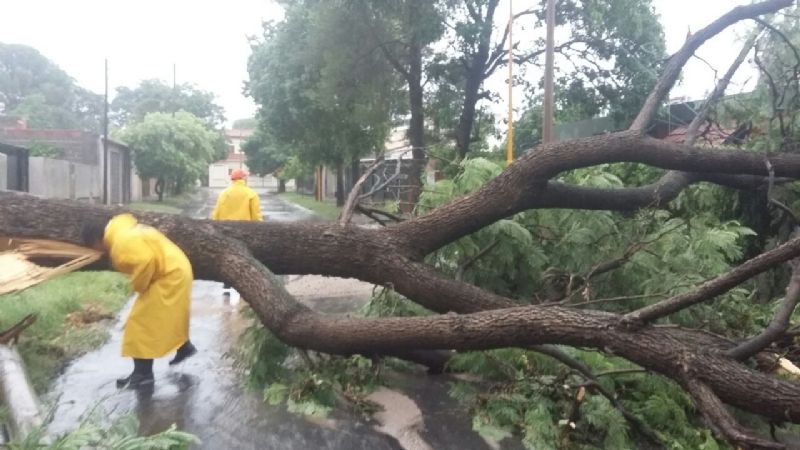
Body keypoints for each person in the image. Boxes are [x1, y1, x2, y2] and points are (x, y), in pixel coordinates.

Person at [82, 213, 197, 388]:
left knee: (140, 324)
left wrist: (138, 285)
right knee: (163, 316)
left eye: (94, 247)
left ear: (97, 240)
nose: (99, 251)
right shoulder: (123, 231)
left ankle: (142, 374)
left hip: (169, 275)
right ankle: (183, 346)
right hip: (175, 270)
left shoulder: (121, 242)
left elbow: (145, 261)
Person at [211, 168, 263, 302]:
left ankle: (226, 289)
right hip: (246, 232)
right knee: (245, 260)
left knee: (227, 259)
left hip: (226, 232)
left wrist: (215, 229)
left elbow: (216, 214)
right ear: (244, 179)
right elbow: (256, 216)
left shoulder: (224, 194)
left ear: (233, 179)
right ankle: (243, 292)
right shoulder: (251, 194)